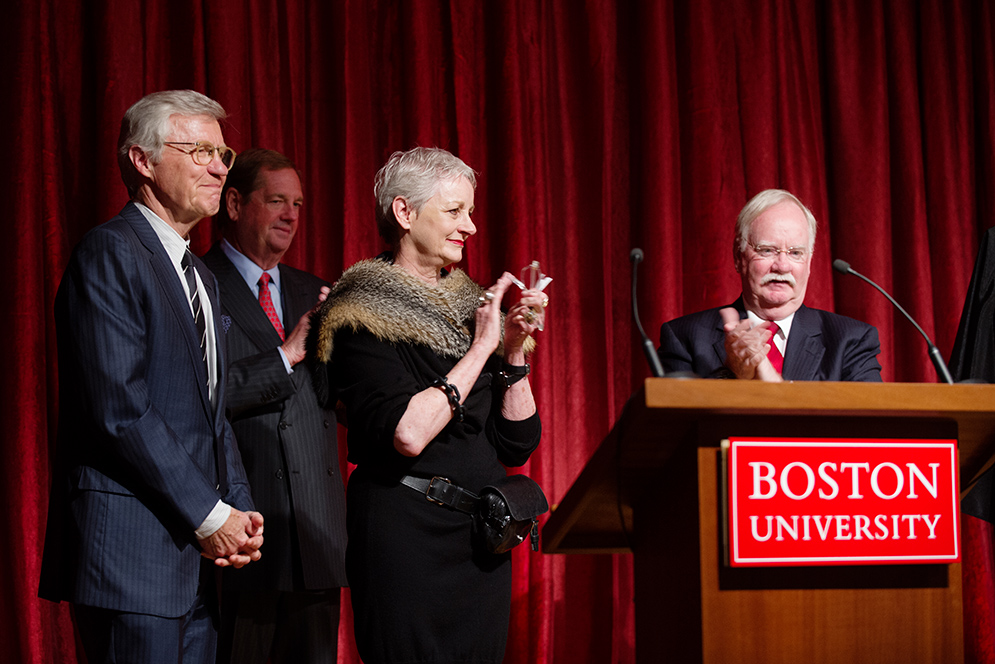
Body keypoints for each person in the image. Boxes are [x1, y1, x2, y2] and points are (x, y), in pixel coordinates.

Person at [38, 90, 264, 663]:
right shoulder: (110, 253)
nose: (220, 167)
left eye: (224, 153)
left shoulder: (201, 277)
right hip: (132, 560)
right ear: (142, 161)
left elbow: (213, 413)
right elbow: (121, 410)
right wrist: (211, 516)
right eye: (200, 151)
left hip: (197, 564)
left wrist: (237, 510)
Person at [308, 147, 546, 663]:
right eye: (456, 211)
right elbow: (407, 433)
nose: (473, 227)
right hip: (405, 540)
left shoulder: (472, 307)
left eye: (471, 211)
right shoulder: (358, 311)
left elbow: (518, 443)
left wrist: (510, 352)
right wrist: (482, 348)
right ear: (405, 213)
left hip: (481, 542)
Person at [201, 148, 347, 664]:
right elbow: (195, 399)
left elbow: (338, 400)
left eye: (299, 203)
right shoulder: (198, 283)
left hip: (316, 536)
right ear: (235, 203)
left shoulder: (317, 290)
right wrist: (285, 355)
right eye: (277, 200)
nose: (291, 215)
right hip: (241, 540)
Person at [658, 188, 882, 381]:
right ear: (738, 257)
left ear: (809, 262)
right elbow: (679, 426)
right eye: (767, 250)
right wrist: (731, 373)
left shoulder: (851, 341)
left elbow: (871, 427)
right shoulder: (684, 338)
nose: (782, 266)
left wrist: (767, 376)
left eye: (795, 253)